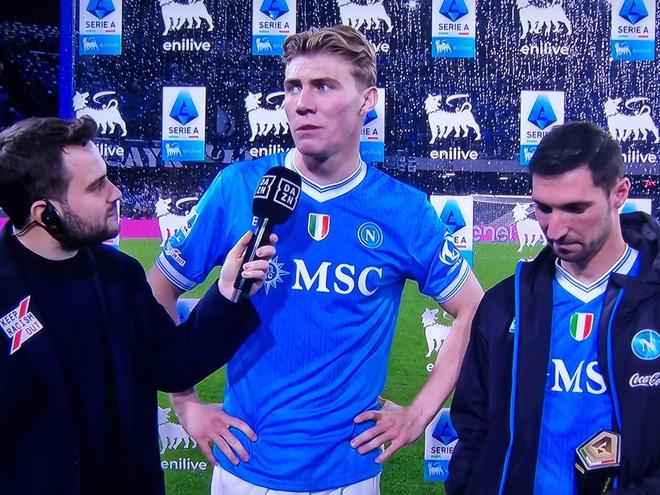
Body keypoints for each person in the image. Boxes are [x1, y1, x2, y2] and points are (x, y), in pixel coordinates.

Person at [148, 25, 483, 494]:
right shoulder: (238, 187)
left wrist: (417, 415)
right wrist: (185, 403)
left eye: (324, 86)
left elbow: (474, 308)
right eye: (293, 87)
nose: (302, 103)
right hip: (246, 465)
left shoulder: (404, 210)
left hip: (349, 473)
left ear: (367, 100)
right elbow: (159, 288)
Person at [0, 116, 276, 495]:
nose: (115, 193)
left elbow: (171, 365)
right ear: (45, 213)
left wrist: (228, 293)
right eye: (96, 186)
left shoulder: (121, 273)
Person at [446, 121, 660, 495]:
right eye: (543, 208)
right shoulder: (504, 305)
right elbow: (473, 425)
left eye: (575, 208)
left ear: (619, 193)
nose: (555, 229)